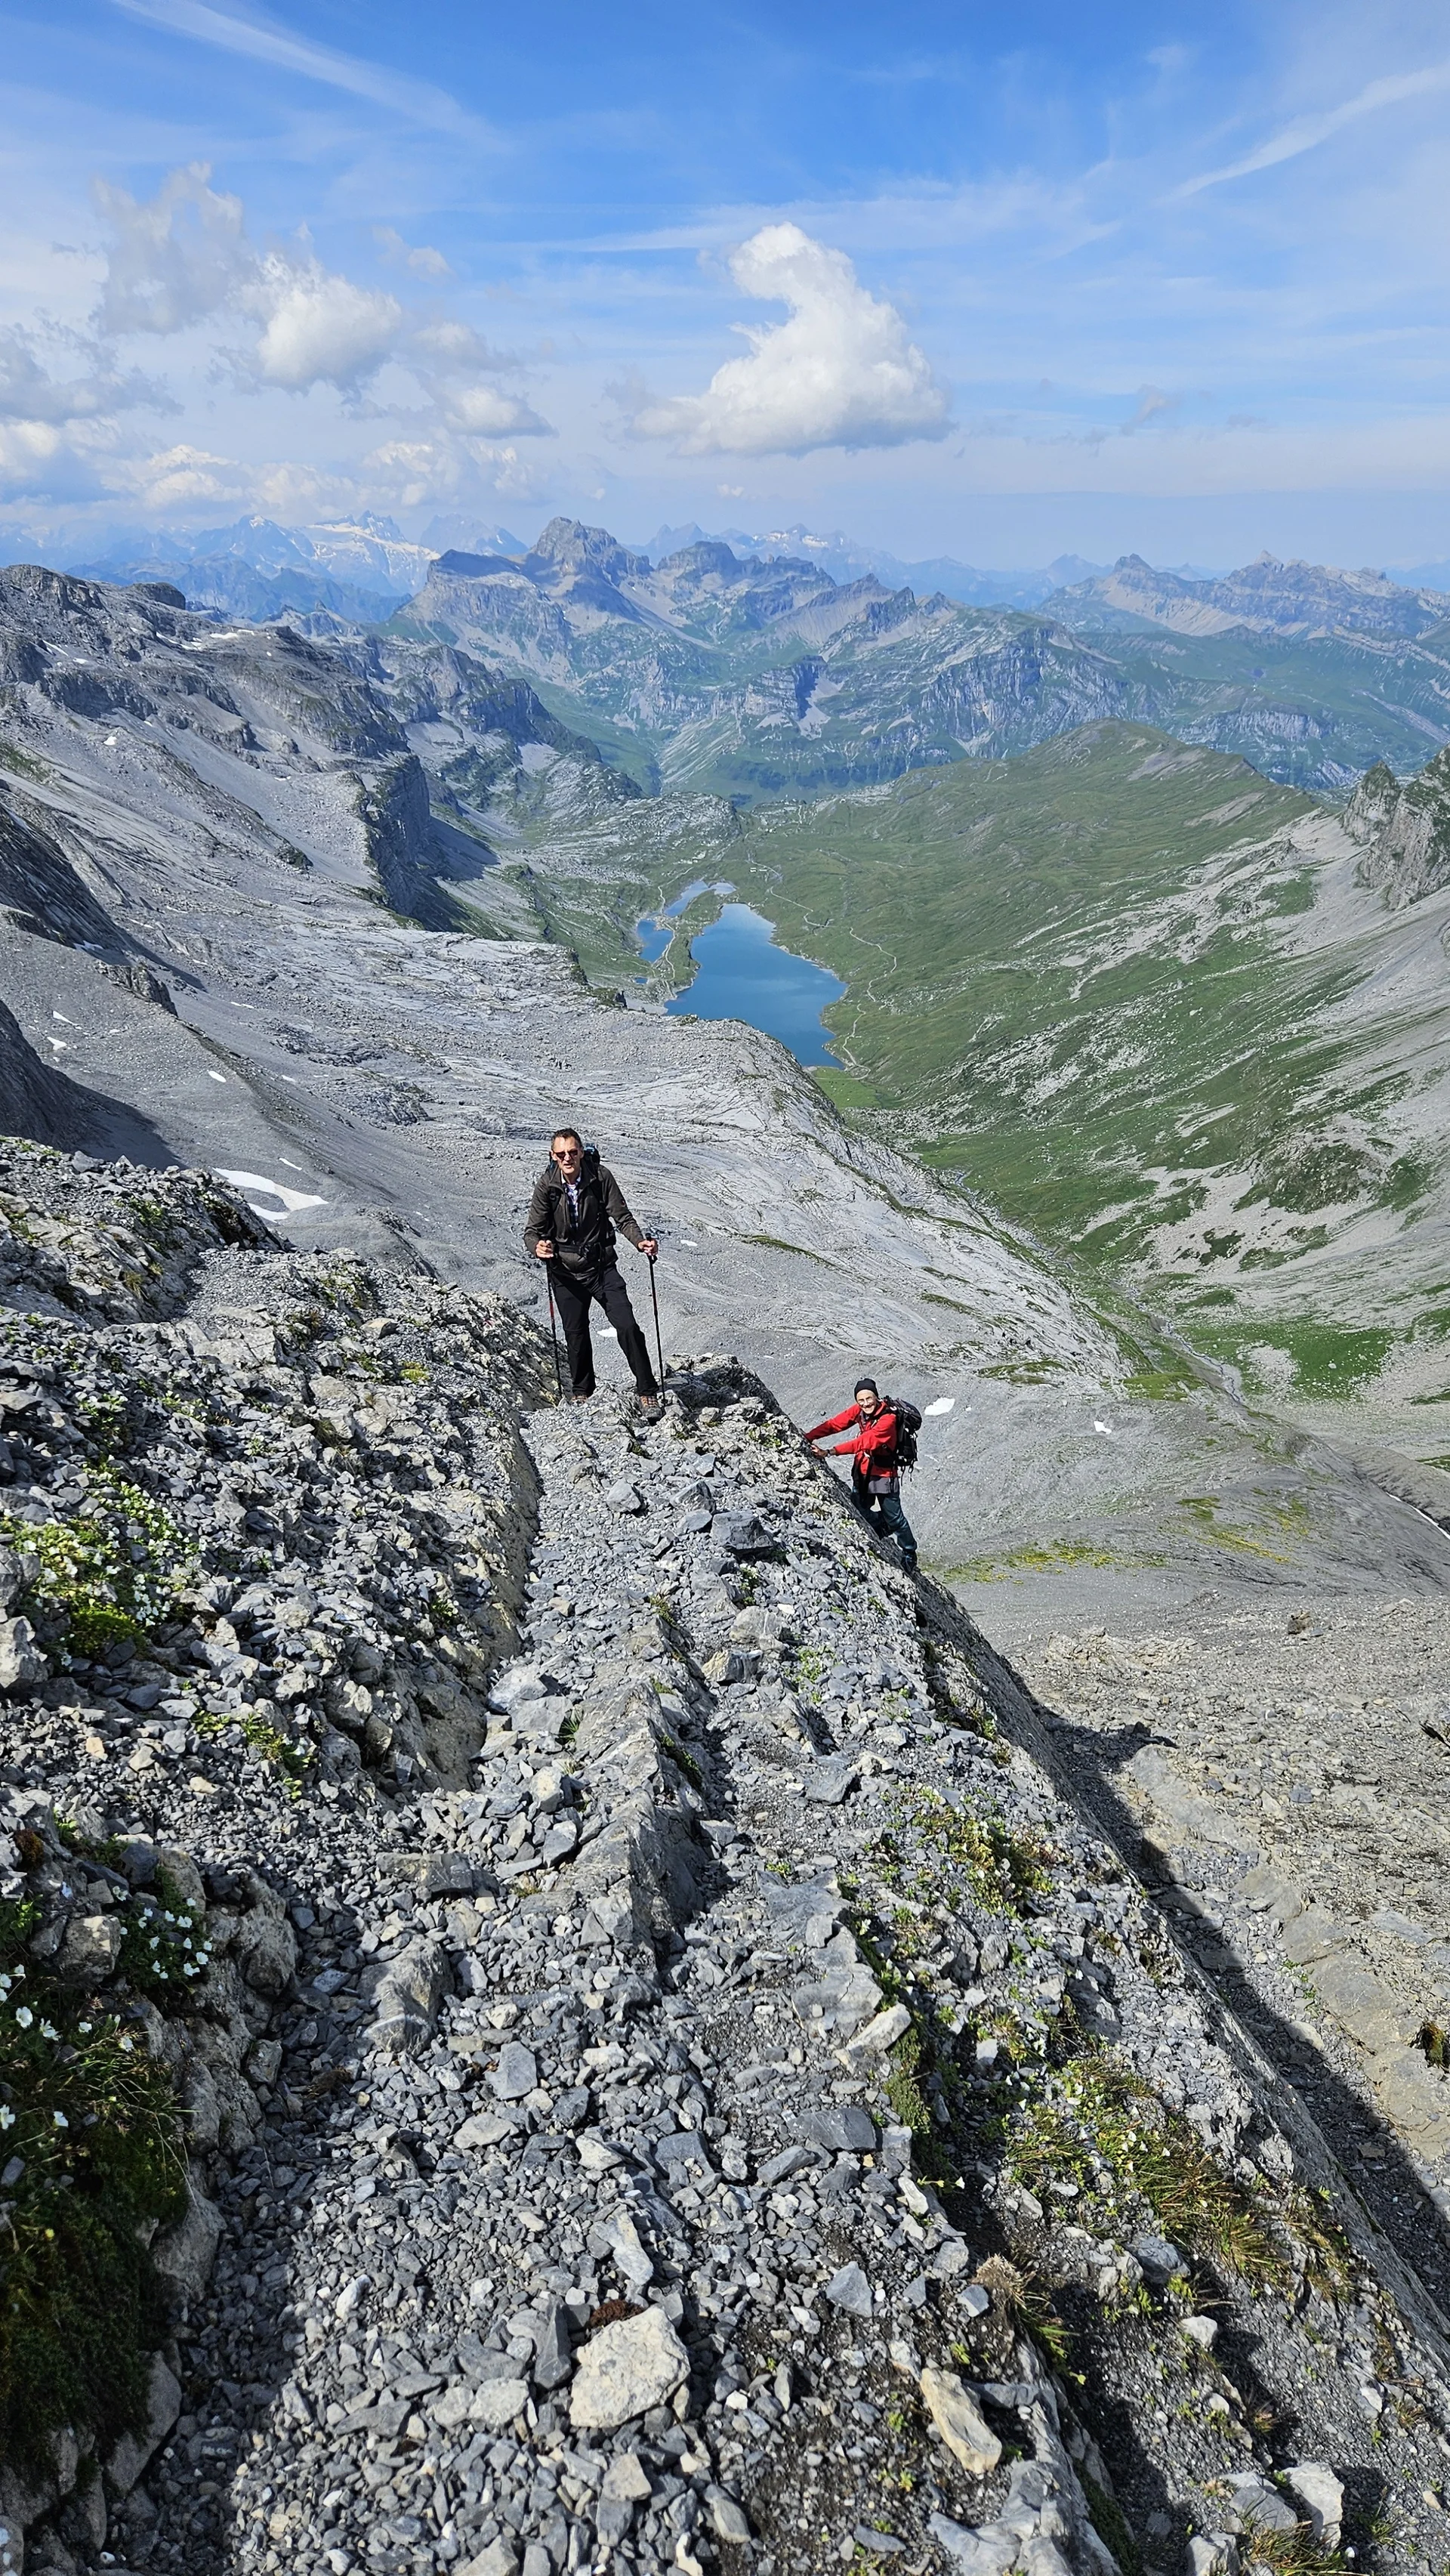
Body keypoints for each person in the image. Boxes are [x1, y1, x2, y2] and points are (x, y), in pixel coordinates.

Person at [524, 1129, 662, 1418]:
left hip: (601, 1266)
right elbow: (531, 1231)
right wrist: (538, 1248)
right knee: (575, 1334)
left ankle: (647, 1392)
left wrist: (640, 1242)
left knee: (627, 1325)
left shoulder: (600, 1177)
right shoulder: (547, 1186)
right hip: (564, 1272)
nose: (567, 1158)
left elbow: (622, 1217)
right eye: (561, 1154)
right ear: (553, 1156)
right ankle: (582, 1393)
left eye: (572, 1152)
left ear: (581, 1152)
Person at [804, 1377, 918, 1574]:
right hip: (863, 1470)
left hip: (884, 1475)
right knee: (858, 1506)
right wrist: (809, 1436)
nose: (865, 1404)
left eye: (869, 1399)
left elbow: (864, 1442)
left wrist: (829, 1452)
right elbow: (835, 1424)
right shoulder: (860, 1411)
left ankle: (909, 1551)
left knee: (896, 1518)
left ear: (876, 1396)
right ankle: (880, 1525)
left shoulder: (888, 1420)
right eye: (861, 1400)